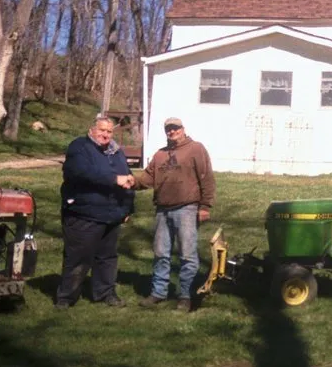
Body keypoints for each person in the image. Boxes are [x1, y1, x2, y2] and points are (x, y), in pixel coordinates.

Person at [135, 116, 215, 311]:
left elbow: (207, 178)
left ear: (182, 129)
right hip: (162, 210)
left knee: (187, 255)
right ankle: (158, 292)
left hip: (187, 208)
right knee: (161, 254)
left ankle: (185, 296)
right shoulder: (160, 155)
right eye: (169, 129)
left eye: (175, 128)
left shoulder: (196, 148)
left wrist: (205, 207)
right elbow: (147, 178)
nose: (172, 132)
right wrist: (130, 181)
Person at [56, 115, 136, 309]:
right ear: (91, 130)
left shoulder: (116, 152)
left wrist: (127, 208)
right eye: (101, 130)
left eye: (109, 131)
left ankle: (105, 293)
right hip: (84, 213)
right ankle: (66, 297)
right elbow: (80, 172)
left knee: (107, 258)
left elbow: (127, 179)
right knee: (78, 257)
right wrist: (114, 179)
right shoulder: (79, 147)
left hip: (112, 215)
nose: (105, 135)